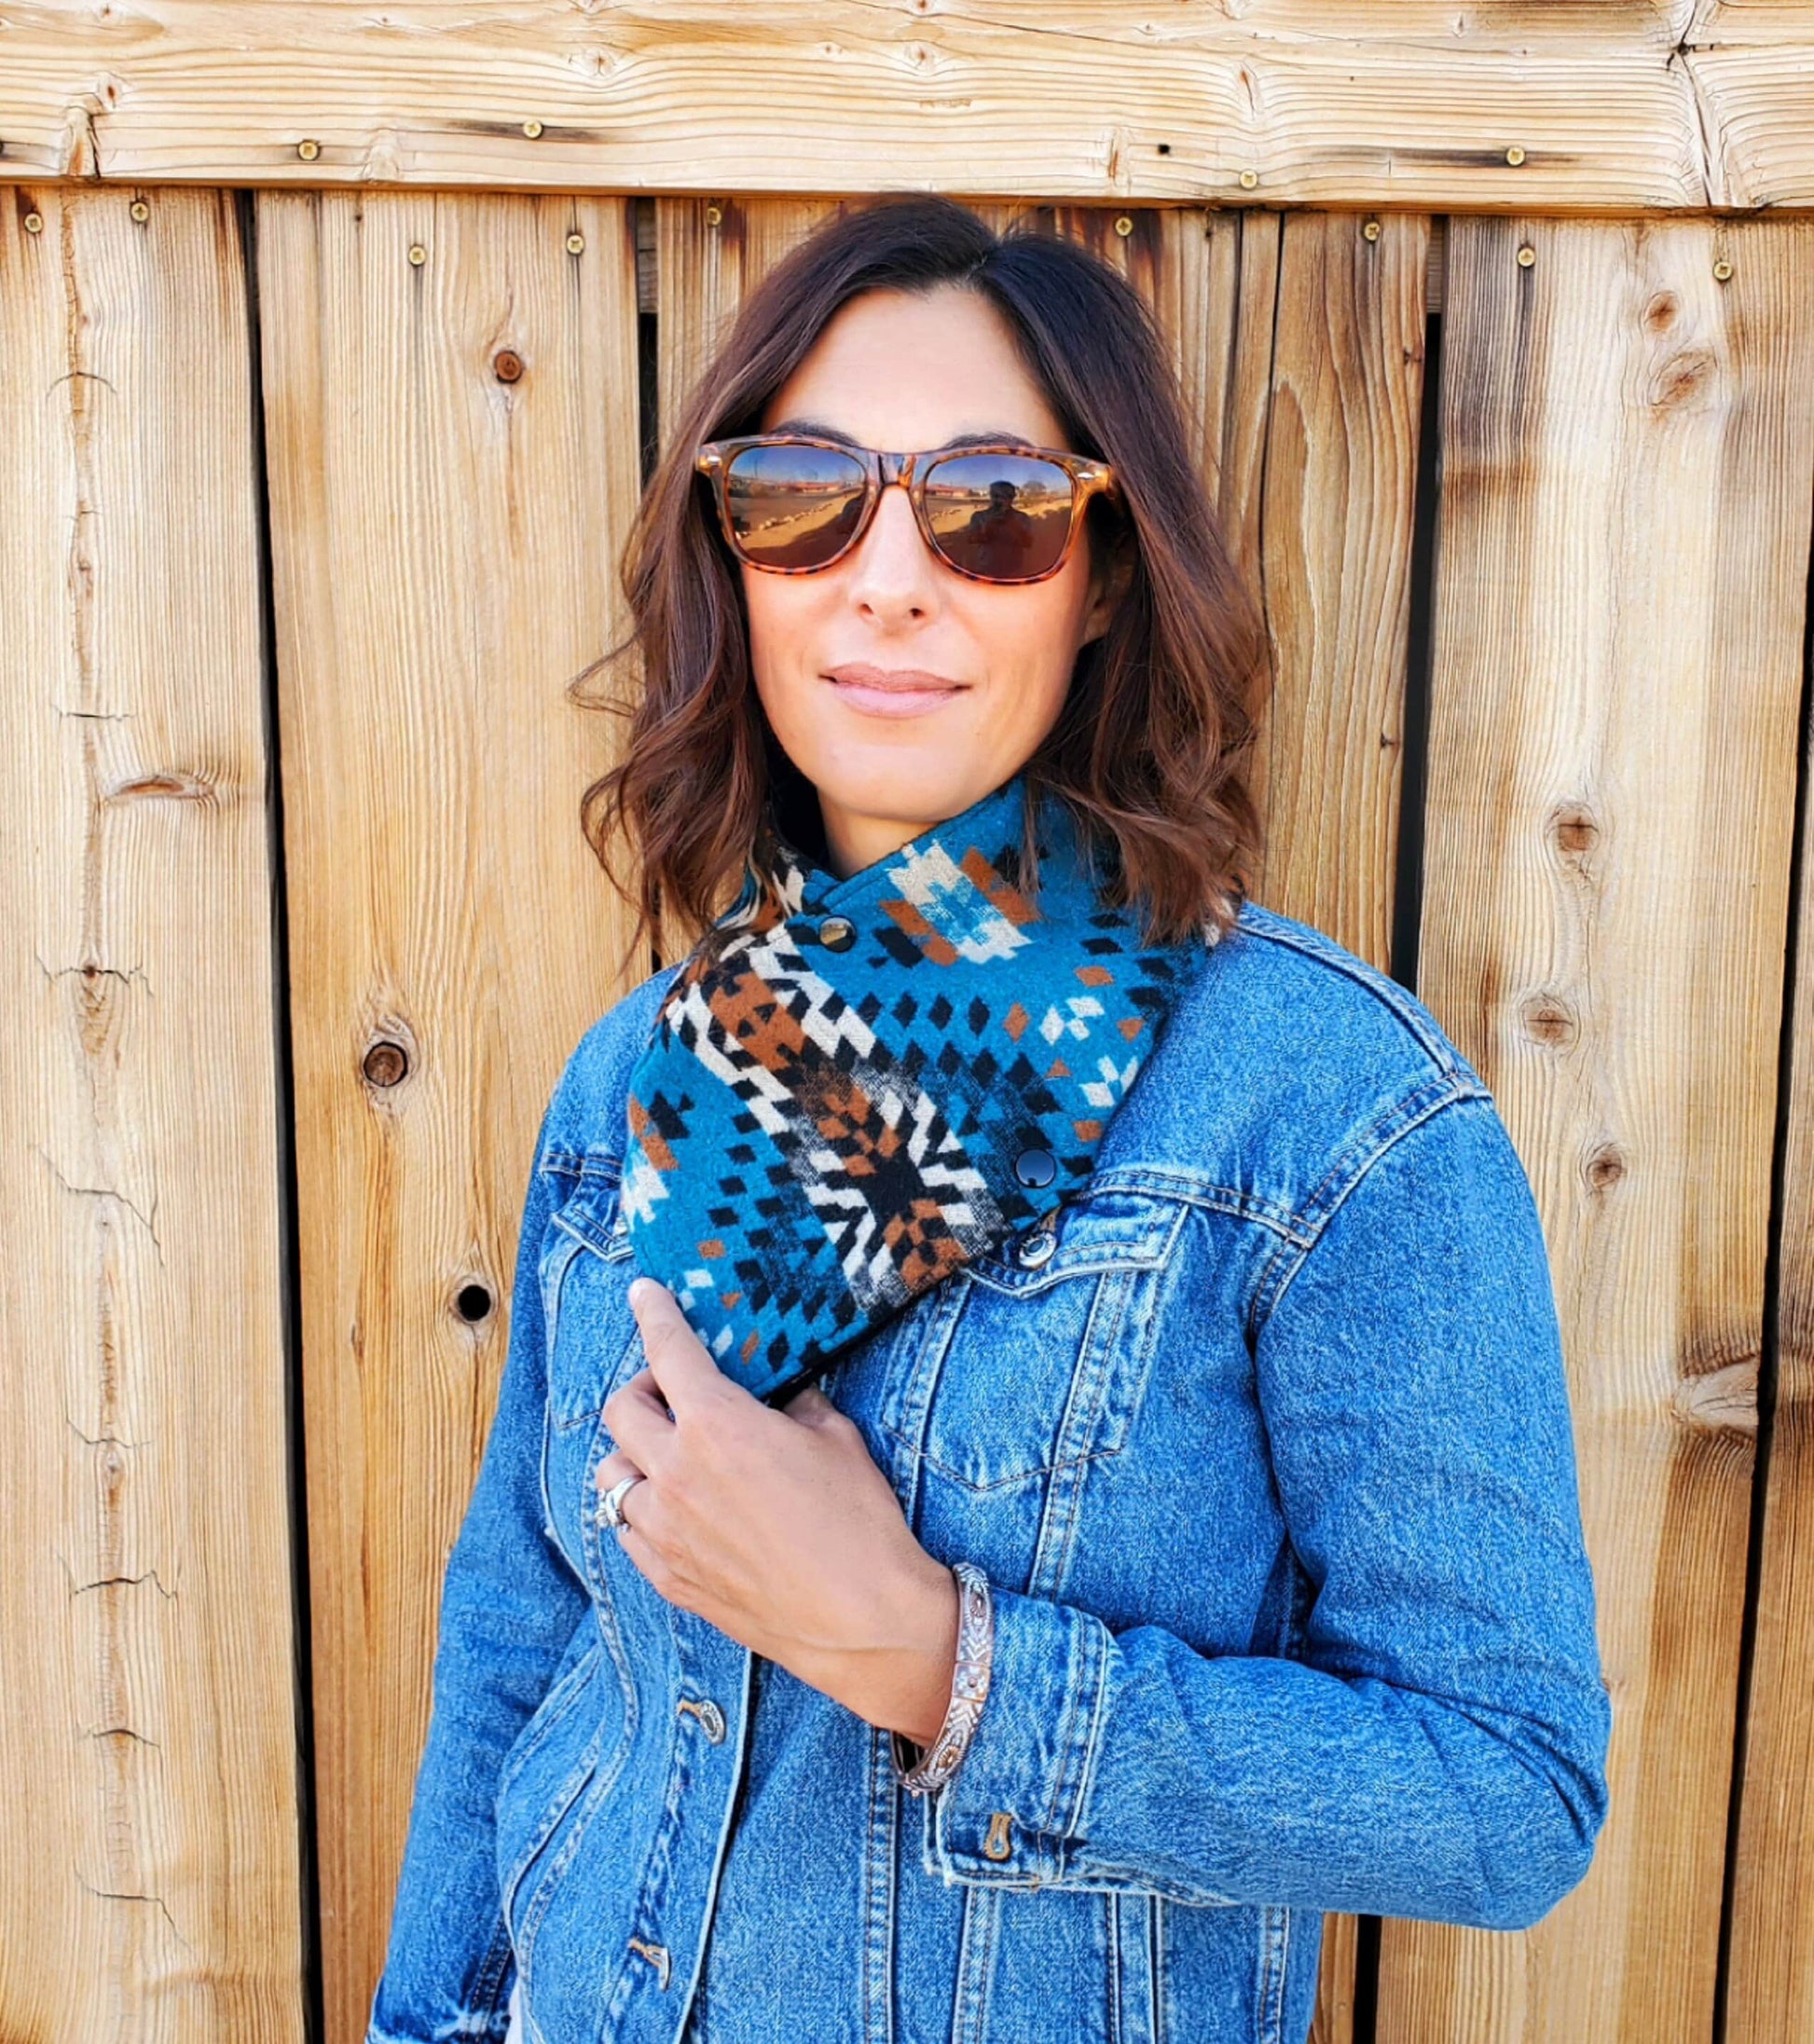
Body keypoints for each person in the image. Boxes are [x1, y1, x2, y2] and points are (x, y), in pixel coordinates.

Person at [366, 194, 1611, 2044]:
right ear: (736, 552)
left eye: (990, 508)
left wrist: (931, 1656)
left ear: (1101, 570)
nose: (885, 577)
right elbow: (523, 1641)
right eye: (802, 493)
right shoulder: (644, 1069)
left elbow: (1508, 1788)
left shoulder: (1326, 1114)